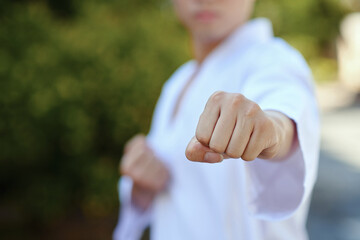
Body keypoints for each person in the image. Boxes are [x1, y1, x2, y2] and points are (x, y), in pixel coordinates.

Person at [114, 0, 320, 239]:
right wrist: (142, 185)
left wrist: (271, 131)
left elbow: (283, 109)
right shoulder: (177, 82)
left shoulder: (274, 59)